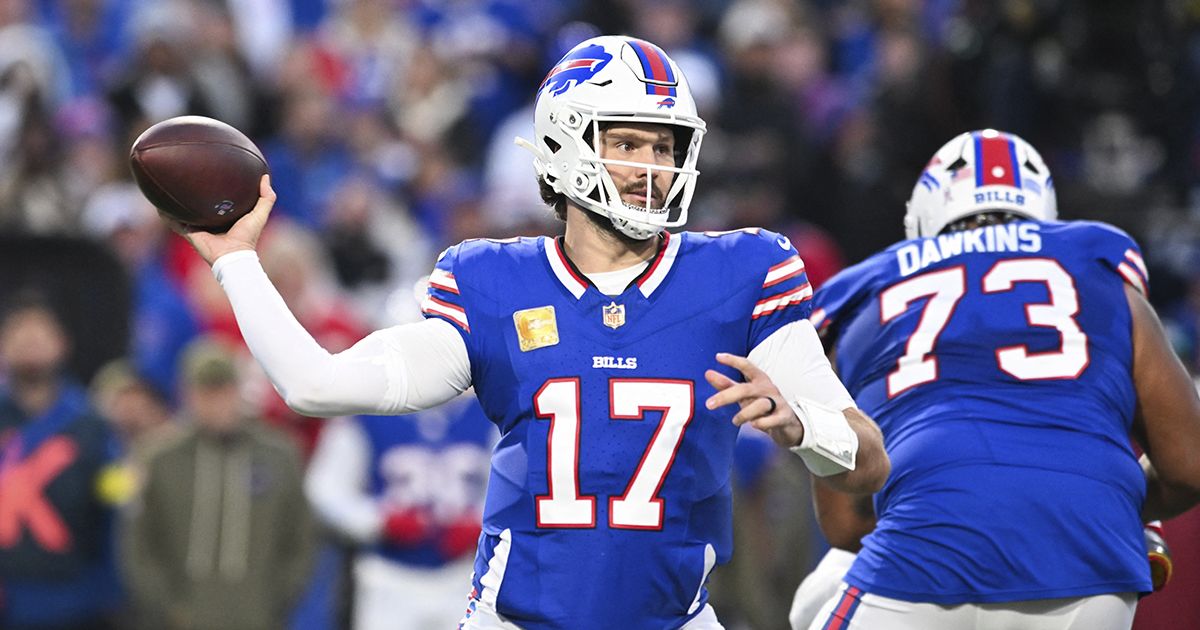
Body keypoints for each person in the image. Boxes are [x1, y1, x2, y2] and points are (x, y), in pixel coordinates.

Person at [161, 35, 889, 629]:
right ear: (566, 146)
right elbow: (315, 384)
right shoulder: (491, 284)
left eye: (665, 147)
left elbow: (867, 463)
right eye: (628, 142)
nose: (651, 167)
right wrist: (237, 262)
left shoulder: (741, 273)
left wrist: (804, 428)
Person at [794, 129, 1200, 630]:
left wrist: (960, 508)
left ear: (923, 218)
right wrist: (1109, 501)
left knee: (814, 598)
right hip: (1093, 564)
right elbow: (1189, 467)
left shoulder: (863, 293)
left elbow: (843, 523)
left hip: (922, 558)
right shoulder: (1097, 265)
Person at [119, 338, 315, 630]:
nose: (217, 404)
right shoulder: (159, 459)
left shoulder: (278, 455)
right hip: (180, 619)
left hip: (257, 617)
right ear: (187, 395)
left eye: (224, 391)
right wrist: (167, 607)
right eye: (206, 393)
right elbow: (139, 544)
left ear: (239, 391)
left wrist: (276, 600)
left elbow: (301, 536)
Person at [306, 393, 496, 629]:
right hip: (389, 575)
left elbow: (515, 485)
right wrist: (378, 520)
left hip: (465, 575)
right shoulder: (365, 413)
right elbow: (325, 489)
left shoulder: (492, 413)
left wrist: (481, 524)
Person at [0, 292, 125, 629]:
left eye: (39, 334)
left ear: (62, 343)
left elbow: (113, 513)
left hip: (75, 603)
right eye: (18, 333)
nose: (29, 342)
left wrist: (109, 594)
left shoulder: (91, 425)